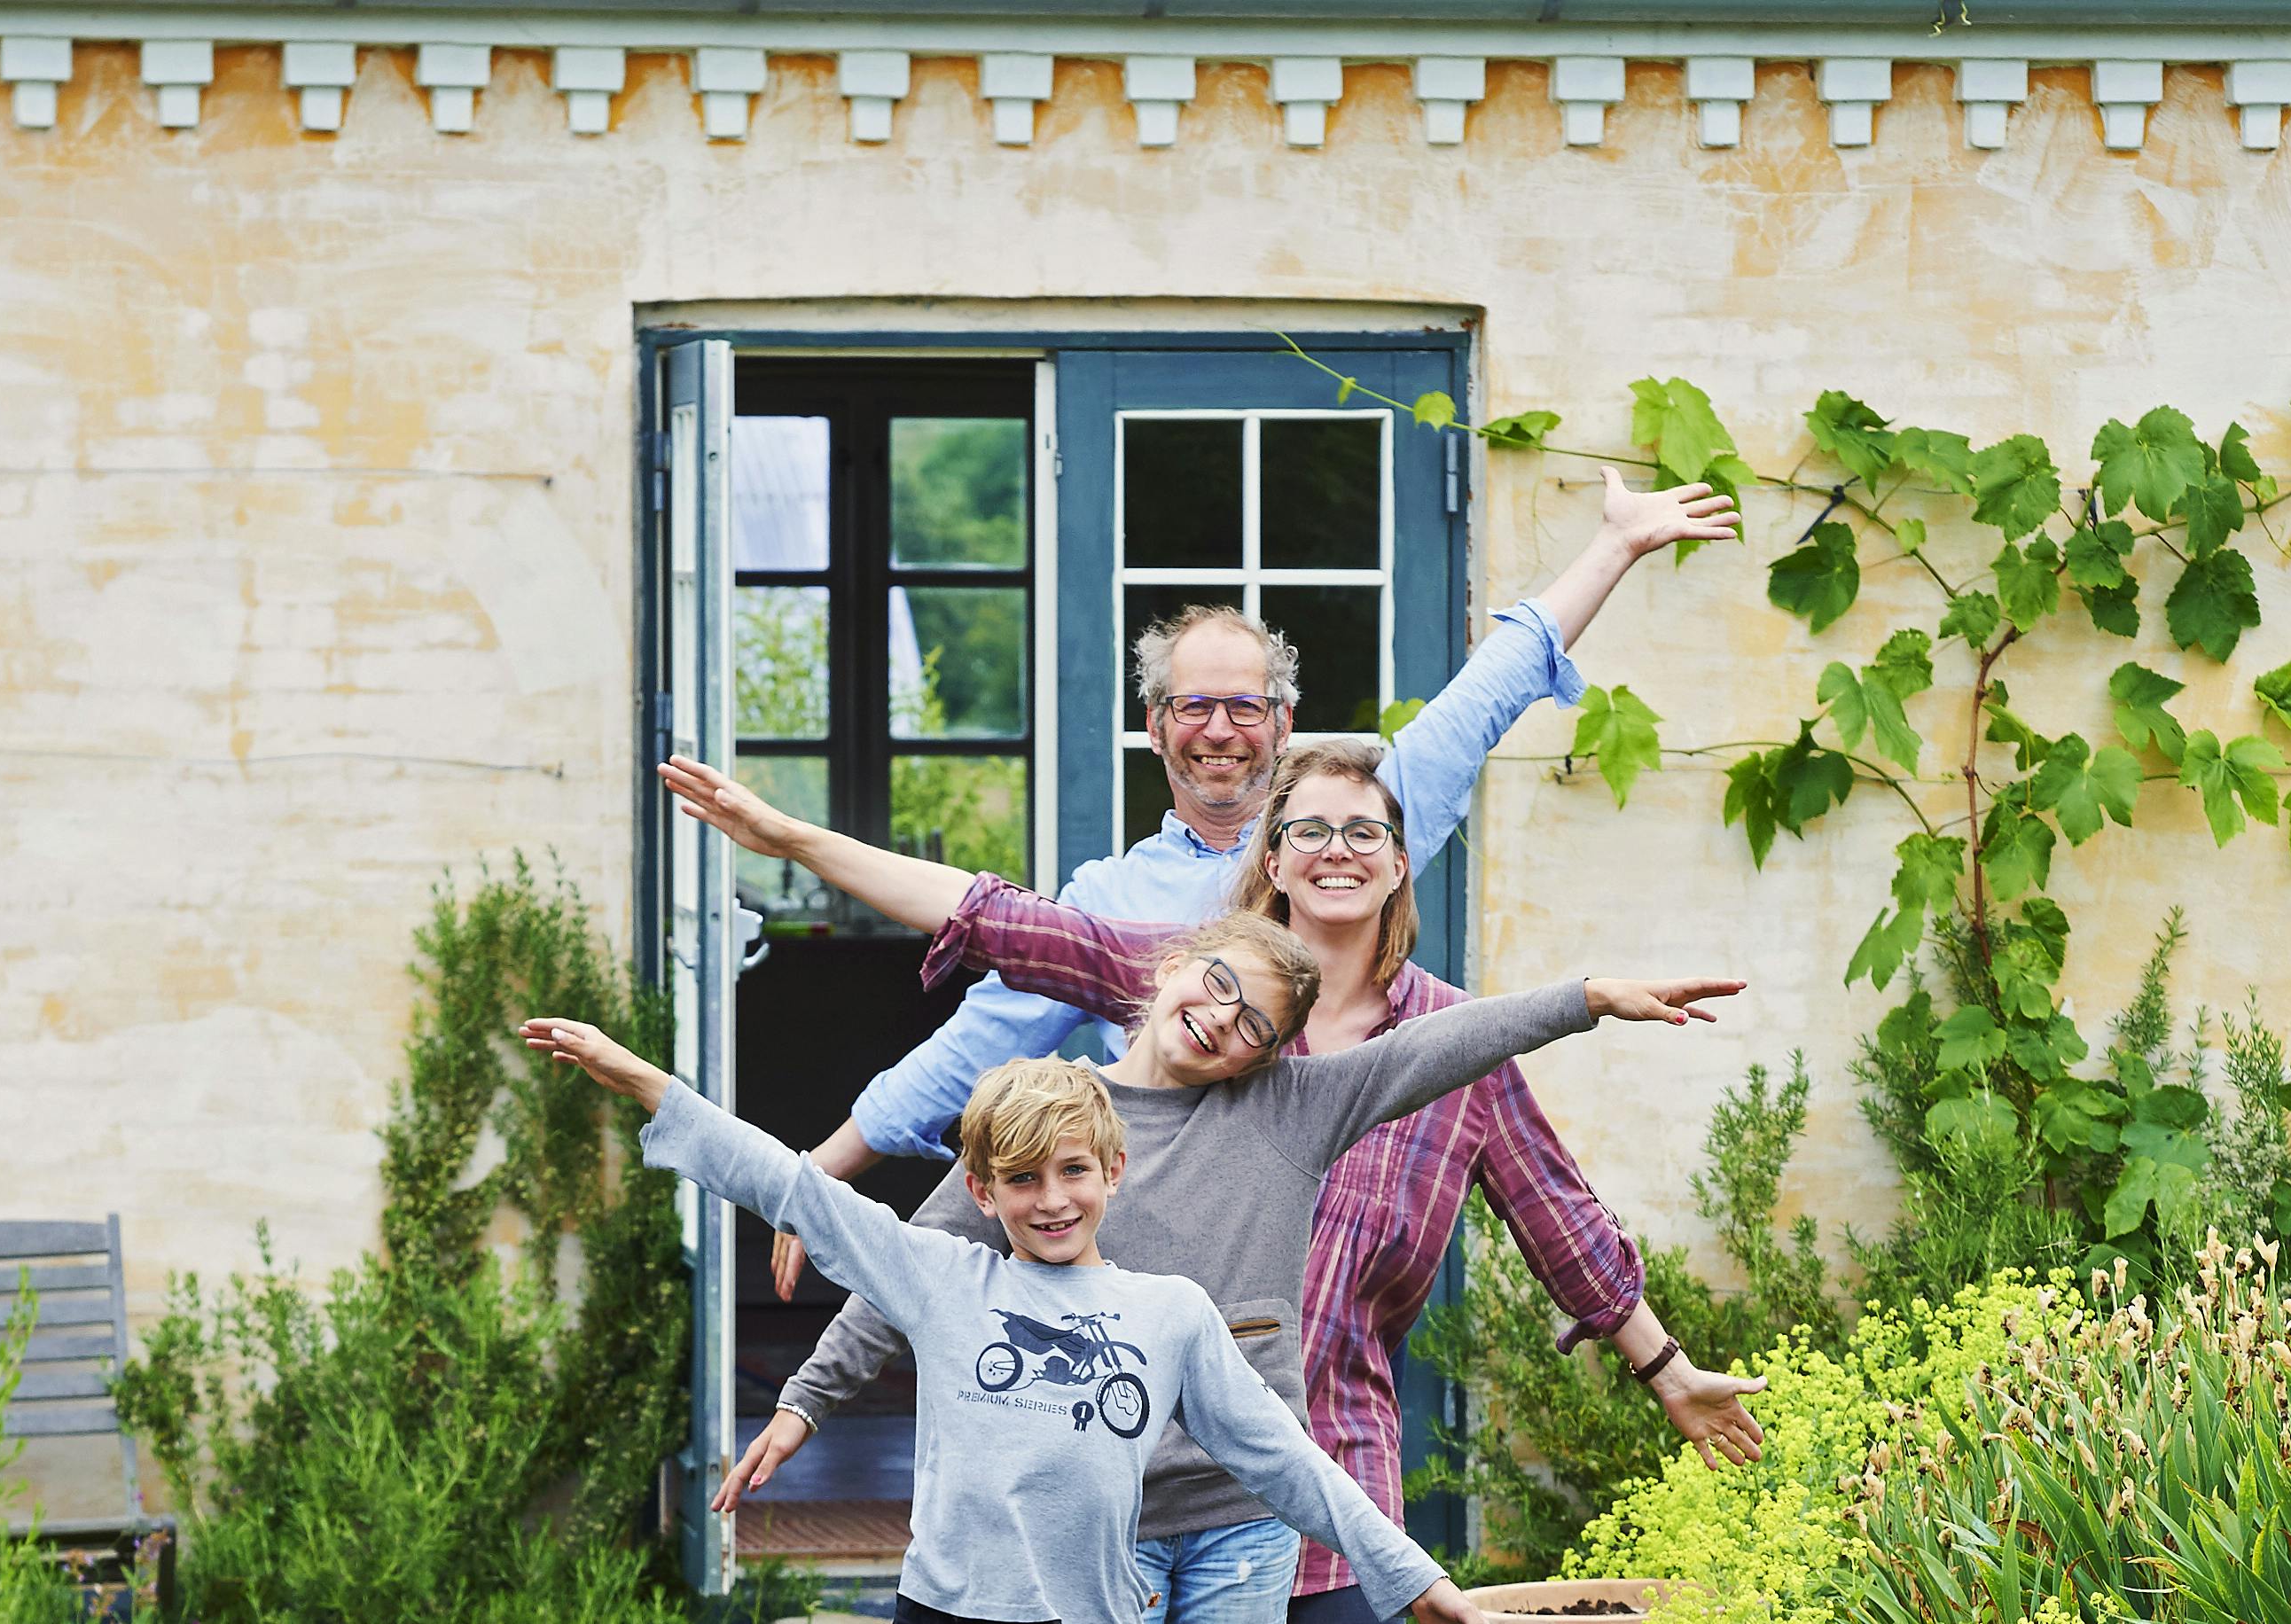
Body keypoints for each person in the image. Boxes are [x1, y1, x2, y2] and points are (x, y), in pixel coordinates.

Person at [656, 757, 1742, 1624]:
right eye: (1308, 827)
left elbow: (1512, 1134)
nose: (1223, 1018)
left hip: (1291, 1484)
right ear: (1251, 876)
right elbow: (930, 1243)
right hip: (1114, 1489)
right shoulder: (1103, 1074)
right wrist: (794, 839)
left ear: (1403, 863)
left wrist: (1588, 997)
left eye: (1364, 829)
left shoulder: (1331, 1087)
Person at [778, 465, 1740, 1295]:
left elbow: (1486, 692)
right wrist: (822, 1168)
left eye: (1245, 706)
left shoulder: (1353, 822)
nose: (1220, 730)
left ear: (1284, 723)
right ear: (1154, 727)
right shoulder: (1112, 906)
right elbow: (976, 1041)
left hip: (1335, 1237)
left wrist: (1613, 547)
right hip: (1175, 1250)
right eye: (1193, 706)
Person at [517, 1019, 1490, 1624]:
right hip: (946, 1609)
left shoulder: (1168, 1314)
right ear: (980, 1189)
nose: (1050, 1199)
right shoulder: (940, 1276)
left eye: (1072, 1170)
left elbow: (1288, 1459)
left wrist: (1411, 1578)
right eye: (1020, 1179)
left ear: (1112, 1170)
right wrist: (646, 1081)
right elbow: (788, 1183)